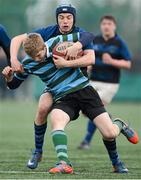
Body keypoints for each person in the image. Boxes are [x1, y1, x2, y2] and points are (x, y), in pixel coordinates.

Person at [9, 5, 135, 173]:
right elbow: (13, 85)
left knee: (110, 133)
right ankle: (63, 162)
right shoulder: (29, 62)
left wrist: (75, 48)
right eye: (34, 58)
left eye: (40, 55)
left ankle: (118, 137)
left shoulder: (58, 42)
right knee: (56, 119)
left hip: (84, 90)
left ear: (44, 45)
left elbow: (88, 36)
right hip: (63, 97)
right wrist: (9, 75)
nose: (38, 59)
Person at [78, 15, 132, 150]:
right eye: (104, 24)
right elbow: (87, 56)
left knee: (94, 108)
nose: (106, 26)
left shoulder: (119, 43)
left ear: (114, 26)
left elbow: (128, 63)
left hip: (110, 84)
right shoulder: (95, 40)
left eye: (109, 23)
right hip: (93, 80)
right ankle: (117, 123)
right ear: (101, 26)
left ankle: (86, 141)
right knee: (86, 111)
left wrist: (112, 61)